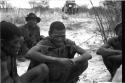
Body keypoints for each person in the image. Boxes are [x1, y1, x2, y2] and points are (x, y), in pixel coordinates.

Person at [26, 21, 92, 83]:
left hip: (62, 75)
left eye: (63, 36)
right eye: (56, 36)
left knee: (84, 62)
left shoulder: (68, 42)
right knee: (58, 65)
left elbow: (88, 55)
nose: (60, 39)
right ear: (50, 34)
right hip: (46, 76)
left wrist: (73, 60)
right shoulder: (45, 42)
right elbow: (30, 53)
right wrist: (58, 60)